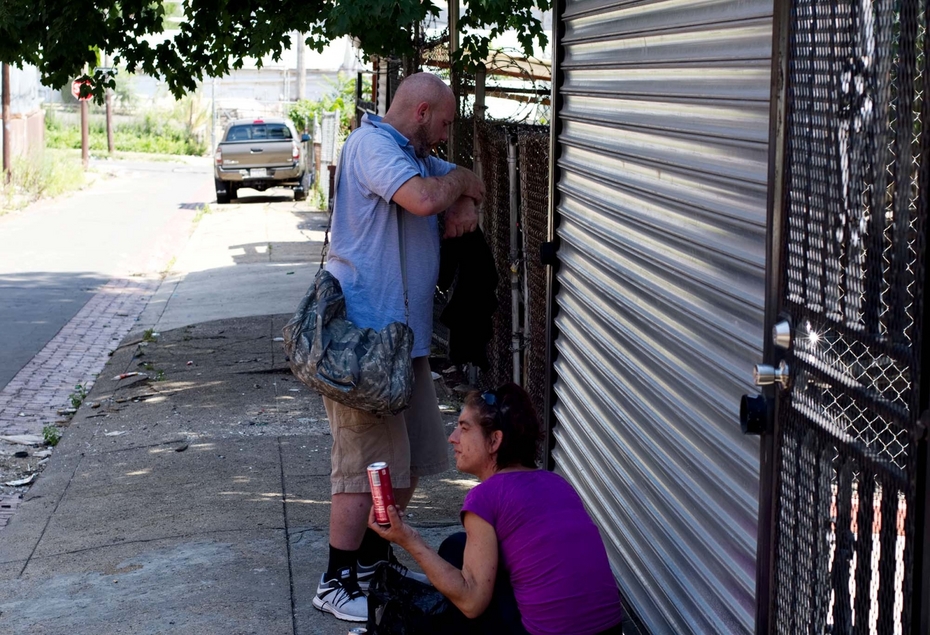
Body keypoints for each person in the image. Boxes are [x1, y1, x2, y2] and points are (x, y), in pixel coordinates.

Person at [312, 72, 485, 623]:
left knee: (407, 467)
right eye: (445, 122)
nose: (446, 133)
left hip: (401, 348)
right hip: (363, 348)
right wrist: (452, 192)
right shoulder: (373, 147)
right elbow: (423, 199)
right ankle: (336, 581)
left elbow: (470, 183)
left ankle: (371, 564)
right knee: (362, 469)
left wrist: (465, 201)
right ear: (422, 112)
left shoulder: (413, 154)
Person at [368, 383, 626, 634]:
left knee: (454, 560)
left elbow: (471, 603)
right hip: (611, 630)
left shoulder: (486, 496)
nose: (452, 438)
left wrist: (410, 540)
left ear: (494, 441)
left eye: (464, 428)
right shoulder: (557, 483)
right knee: (459, 546)